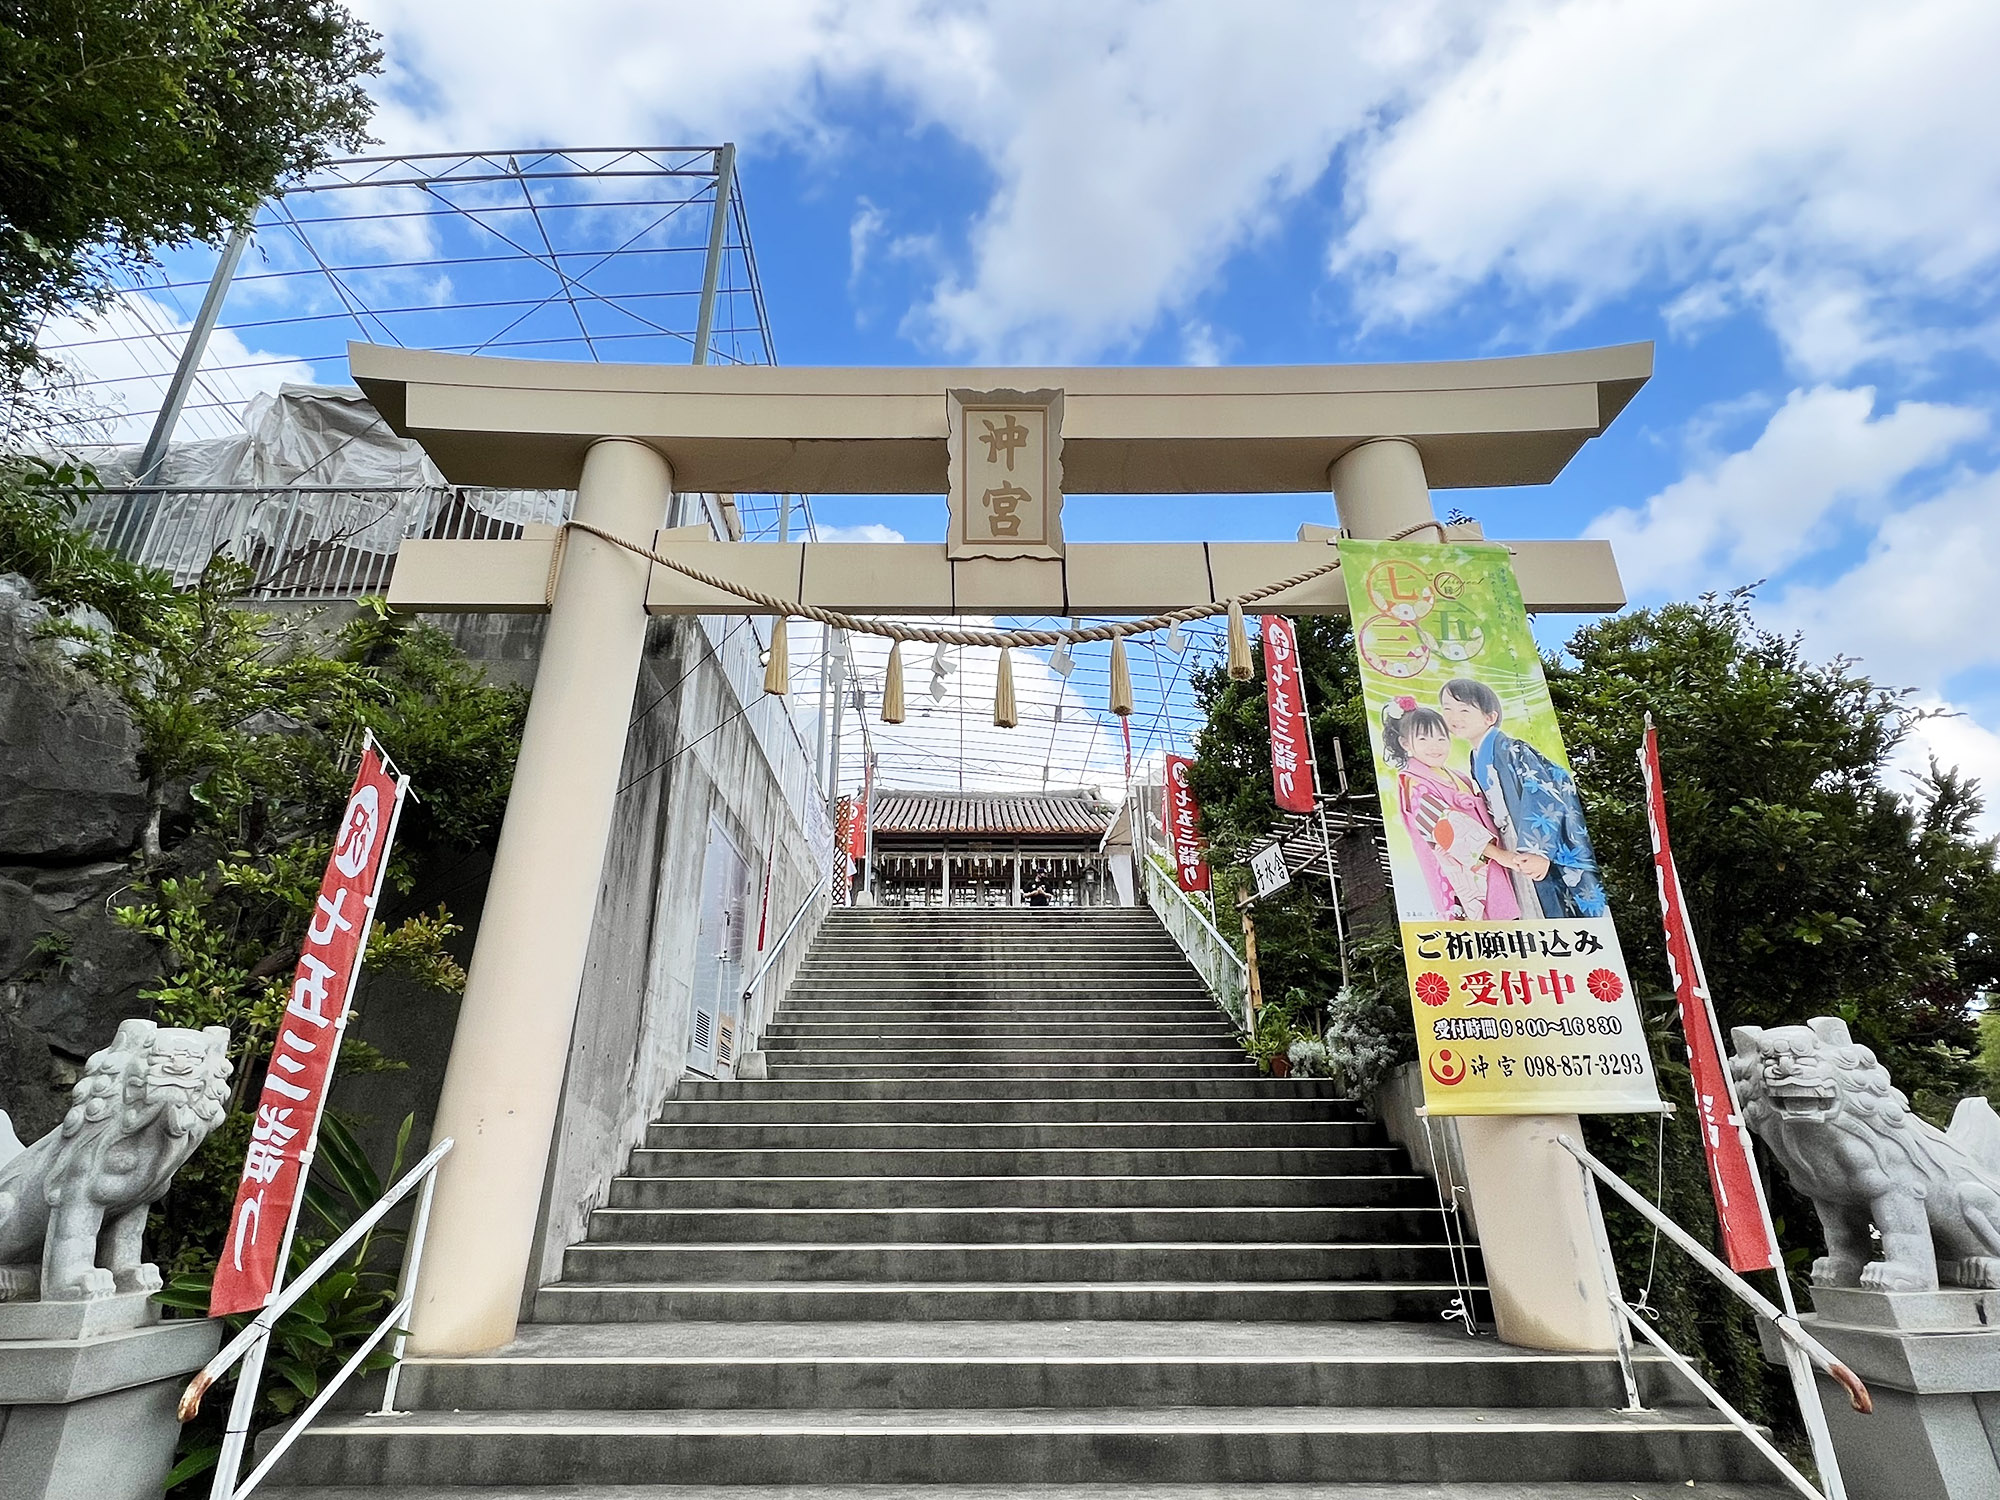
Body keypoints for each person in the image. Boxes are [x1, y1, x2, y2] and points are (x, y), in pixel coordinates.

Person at [1437, 677, 1607, 918]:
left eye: (1464, 709)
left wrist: (1538, 851)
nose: (1455, 716)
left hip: (1528, 838)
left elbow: (1542, 794)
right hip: (1509, 839)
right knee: (1527, 908)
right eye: (1448, 709)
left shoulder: (1513, 749)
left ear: (1490, 717)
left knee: (1546, 908)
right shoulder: (1476, 757)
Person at [1379, 696, 1526, 921]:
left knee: (1508, 925)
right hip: (1461, 870)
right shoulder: (1414, 783)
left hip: (1491, 861)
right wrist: (1498, 854)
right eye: (1424, 739)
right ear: (1405, 744)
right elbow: (1447, 827)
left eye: (1441, 738)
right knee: (1482, 935)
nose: (1435, 746)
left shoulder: (1458, 777)